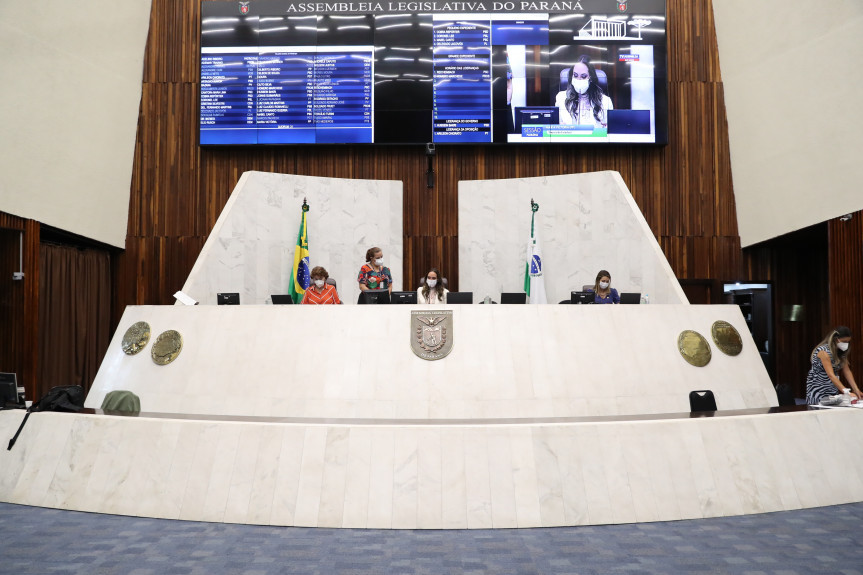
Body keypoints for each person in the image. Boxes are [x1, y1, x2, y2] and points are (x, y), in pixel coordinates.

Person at [554, 55, 613, 130]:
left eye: (583, 76)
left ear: (590, 78)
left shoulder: (605, 101)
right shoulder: (561, 97)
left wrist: (607, 128)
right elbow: (556, 126)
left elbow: (609, 130)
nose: (578, 79)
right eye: (575, 75)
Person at [805, 326, 860, 405]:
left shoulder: (840, 351)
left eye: (848, 342)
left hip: (832, 388)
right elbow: (831, 374)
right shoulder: (823, 351)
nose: (846, 344)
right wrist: (846, 391)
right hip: (819, 388)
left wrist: (856, 389)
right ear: (835, 339)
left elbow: (846, 370)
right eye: (844, 341)